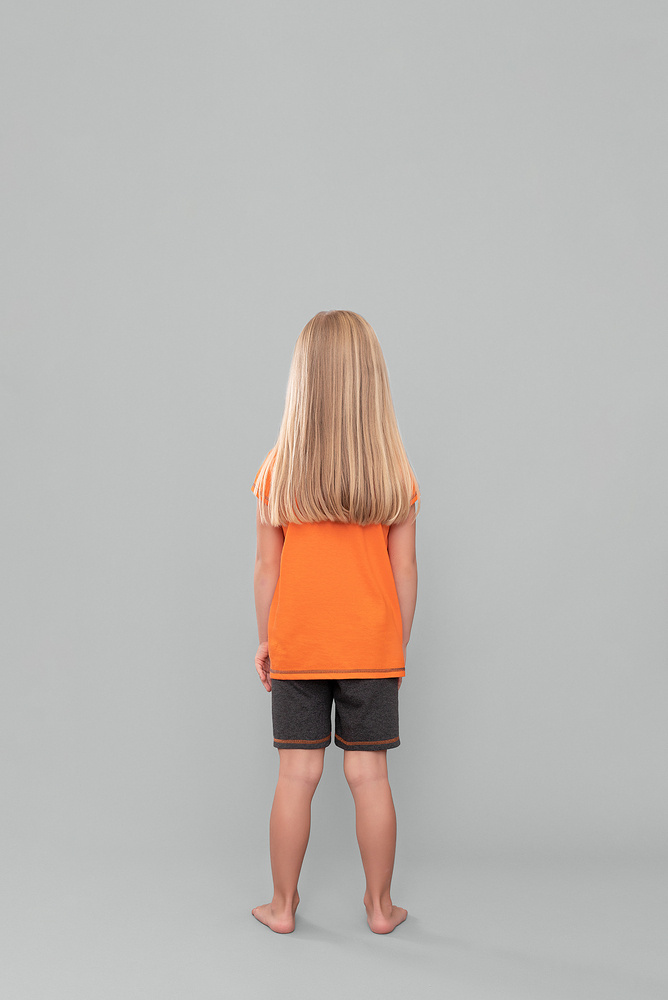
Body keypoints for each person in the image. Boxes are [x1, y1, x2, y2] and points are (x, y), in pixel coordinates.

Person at [251, 310, 419, 935]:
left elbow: (267, 568)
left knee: (296, 775)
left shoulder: (279, 471)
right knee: (369, 777)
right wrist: (394, 645)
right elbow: (405, 571)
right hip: (371, 647)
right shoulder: (393, 474)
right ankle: (380, 908)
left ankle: (281, 907)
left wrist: (268, 639)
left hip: (298, 644)